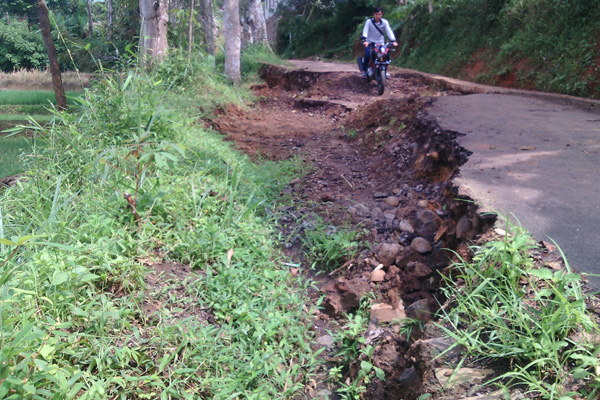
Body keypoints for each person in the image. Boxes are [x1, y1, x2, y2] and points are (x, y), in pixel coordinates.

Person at [360, 6, 398, 77]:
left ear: (382, 14)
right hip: (370, 43)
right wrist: (365, 40)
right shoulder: (369, 22)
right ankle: (364, 70)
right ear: (374, 14)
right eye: (376, 14)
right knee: (368, 55)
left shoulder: (385, 22)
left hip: (380, 44)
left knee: (386, 56)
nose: (378, 16)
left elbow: (389, 31)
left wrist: (393, 40)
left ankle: (385, 71)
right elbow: (365, 31)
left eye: (379, 14)